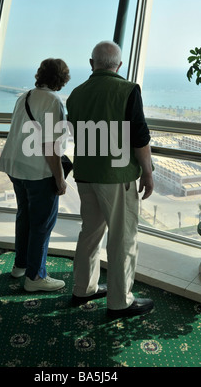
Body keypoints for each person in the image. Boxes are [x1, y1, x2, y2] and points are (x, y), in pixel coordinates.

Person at [66, 41, 154, 318]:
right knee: (123, 238)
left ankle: (84, 288)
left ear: (92, 64)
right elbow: (139, 136)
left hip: (85, 175)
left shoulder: (76, 94)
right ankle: (120, 301)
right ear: (119, 65)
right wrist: (148, 172)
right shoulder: (128, 90)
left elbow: (76, 132)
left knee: (89, 234)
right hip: (117, 177)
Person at [0, 58, 70, 292]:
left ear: (40, 74)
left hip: (15, 167)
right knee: (42, 224)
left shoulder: (24, 96)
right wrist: (59, 178)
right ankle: (35, 277)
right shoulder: (53, 101)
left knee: (25, 217)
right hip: (37, 172)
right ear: (62, 79)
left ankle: (21, 265)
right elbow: (51, 145)